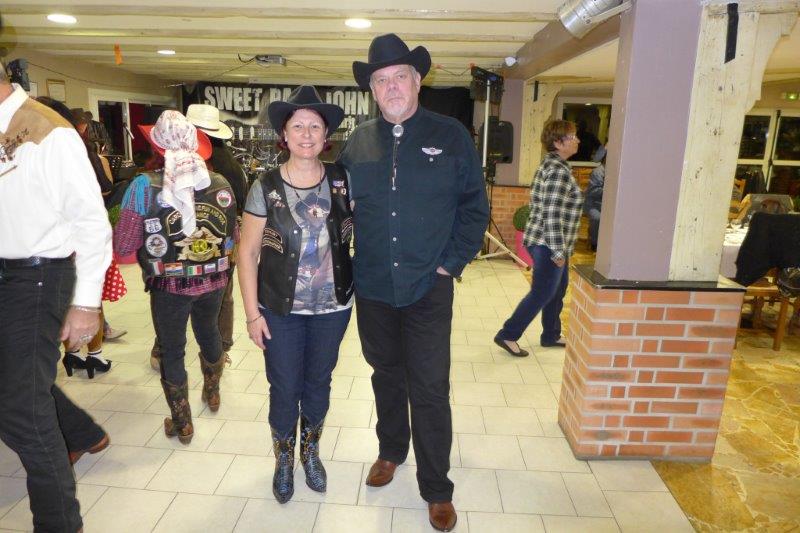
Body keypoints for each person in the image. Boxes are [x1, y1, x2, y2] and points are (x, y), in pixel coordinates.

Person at [338, 34, 489, 532]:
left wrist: (451, 263)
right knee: (385, 374)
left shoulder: (451, 135)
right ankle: (390, 450)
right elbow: (339, 210)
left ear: (418, 80)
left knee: (428, 386)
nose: (391, 87)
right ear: (372, 90)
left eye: (399, 76)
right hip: (374, 286)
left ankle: (437, 487)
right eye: (380, 80)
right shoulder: (358, 142)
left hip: (428, 286)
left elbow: (474, 208)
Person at [0, 66, 112, 531]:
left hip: (37, 277)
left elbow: (90, 221)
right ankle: (83, 433)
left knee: (21, 411)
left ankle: (59, 524)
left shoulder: (49, 130)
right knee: (18, 390)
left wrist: (86, 303)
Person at [238, 85, 352, 503]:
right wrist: (252, 315)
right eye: (298, 126)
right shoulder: (265, 186)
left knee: (319, 382)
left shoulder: (343, 180)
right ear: (284, 135)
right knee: (285, 386)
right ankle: (284, 458)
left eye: (315, 127)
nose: (306, 134)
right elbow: (247, 253)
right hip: (279, 308)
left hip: (333, 308)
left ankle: (311, 452)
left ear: (326, 135)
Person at [114, 110, 237, 444]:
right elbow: (231, 237)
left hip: (168, 284)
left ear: (157, 146)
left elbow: (124, 244)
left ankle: (182, 422)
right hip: (214, 279)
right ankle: (213, 392)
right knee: (209, 331)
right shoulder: (220, 183)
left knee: (172, 348)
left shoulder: (143, 185)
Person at [146, 104, 247, 370]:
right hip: (222, 242)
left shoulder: (174, 165)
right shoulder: (231, 166)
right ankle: (220, 350)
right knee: (220, 296)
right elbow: (238, 205)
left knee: (172, 302)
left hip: (181, 246)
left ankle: (168, 348)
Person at [494, 120, 584, 357]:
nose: (577, 140)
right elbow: (552, 213)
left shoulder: (555, 165)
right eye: (572, 136)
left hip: (551, 241)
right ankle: (508, 335)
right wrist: (558, 251)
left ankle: (551, 334)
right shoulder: (557, 171)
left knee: (558, 289)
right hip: (549, 243)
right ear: (558, 142)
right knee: (542, 292)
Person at [585, 147, 606, 251]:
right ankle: (595, 243)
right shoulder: (598, 172)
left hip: (606, 206)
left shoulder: (616, 172)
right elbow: (593, 191)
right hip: (593, 205)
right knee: (598, 218)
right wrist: (608, 190)